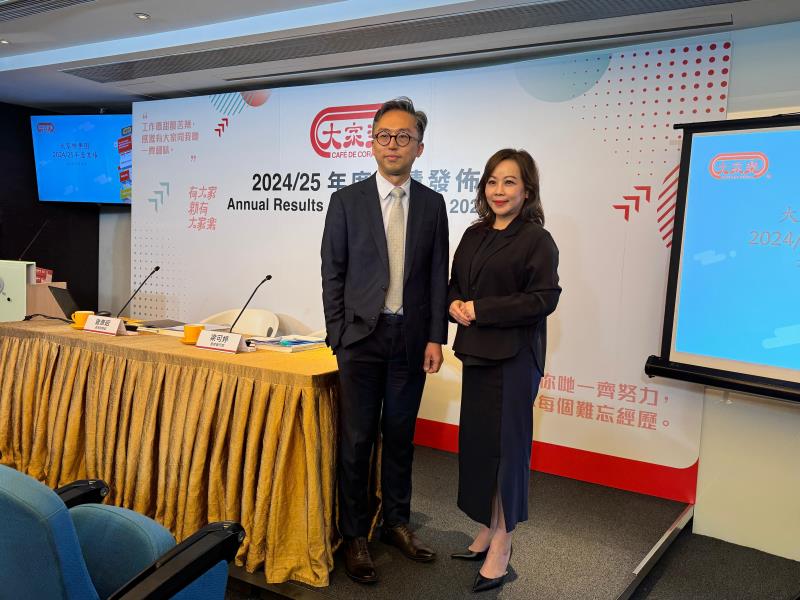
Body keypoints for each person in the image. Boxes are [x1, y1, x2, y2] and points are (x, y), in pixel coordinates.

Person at [320, 97, 449, 584]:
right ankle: (354, 534)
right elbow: (332, 272)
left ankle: (396, 522)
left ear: (419, 147)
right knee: (356, 441)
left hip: (410, 340)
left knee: (400, 436)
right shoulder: (346, 201)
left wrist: (435, 337)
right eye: (384, 136)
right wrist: (339, 334)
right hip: (361, 339)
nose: (393, 144)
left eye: (404, 137)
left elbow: (437, 277)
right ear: (372, 143)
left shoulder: (433, 205)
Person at [447, 148, 561, 593]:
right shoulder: (474, 234)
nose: (499, 190)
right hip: (477, 352)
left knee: (506, 450)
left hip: (514, 359)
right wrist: (454, 305)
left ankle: (504, 541)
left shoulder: (536, 239)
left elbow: (543, 299)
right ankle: (488, 526)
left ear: (527, 190)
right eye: (493, 181)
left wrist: (482, 309)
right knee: (480, 447)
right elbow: (455, 285)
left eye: (509, 182)